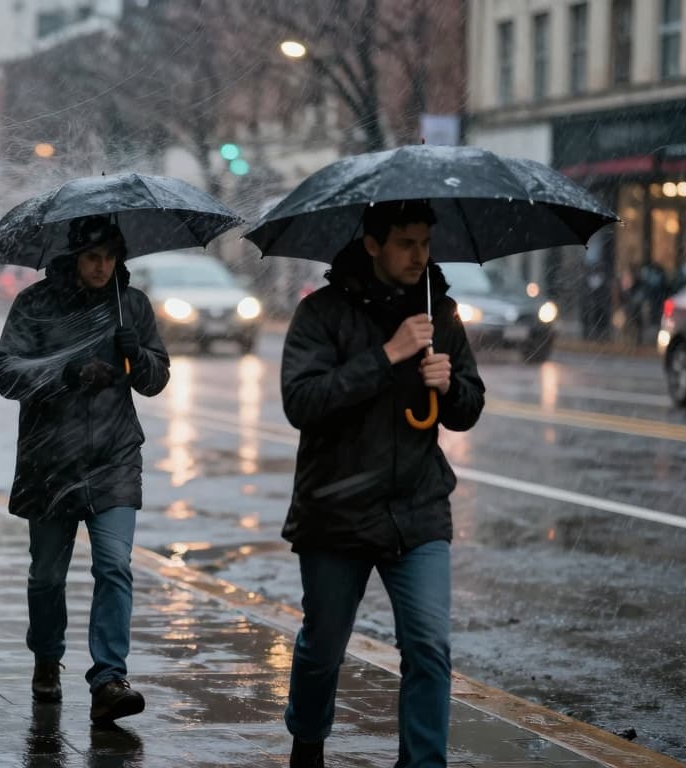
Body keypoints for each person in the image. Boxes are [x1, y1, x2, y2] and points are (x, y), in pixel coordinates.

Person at [279, 200, 485, 768]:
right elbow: (302, 402)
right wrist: (386, 355)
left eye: (425, 243)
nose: (420, 255)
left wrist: (451, 387)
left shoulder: (441, 314)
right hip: (336, 511)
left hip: (416, 509)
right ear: (372, 244)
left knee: (428, 647)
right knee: (323, 649)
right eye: (406, 244)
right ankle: (308, 741)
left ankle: (422, 763)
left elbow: (467, 409)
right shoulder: (321, 313)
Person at [0, 215, 170, 723]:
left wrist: (139, 359)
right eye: (92, 257)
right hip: (50, 460)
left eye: (110, 257)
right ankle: (46, 657)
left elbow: (156, 378)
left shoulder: (130, 305)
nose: (101, 267)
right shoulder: (36, 304)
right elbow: (7, 374)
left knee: (114, 566)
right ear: (74, 256)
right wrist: (66, 373)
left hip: (114, 458)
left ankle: (109, 677)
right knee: (47, 575)